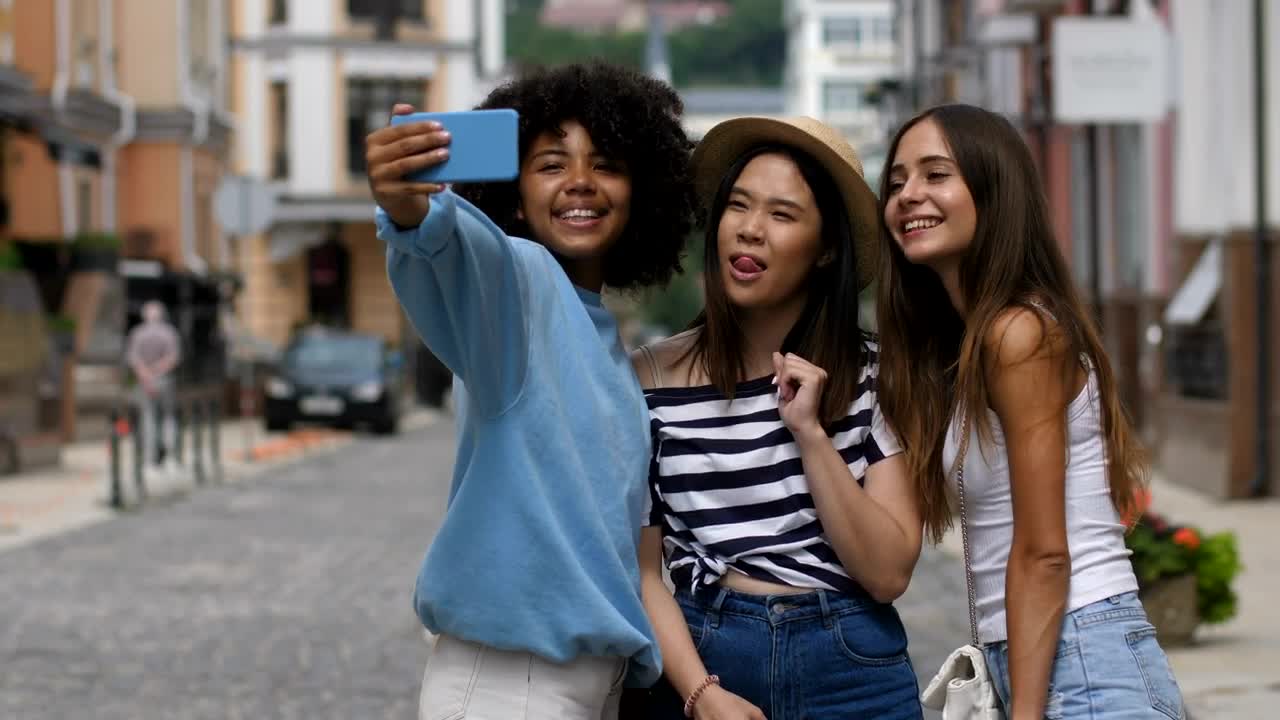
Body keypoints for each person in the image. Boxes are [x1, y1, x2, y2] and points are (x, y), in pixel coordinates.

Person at [363, 62, 700, 720]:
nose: (579, 182)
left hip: (585, 684)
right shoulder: (521, 283)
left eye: (605, 163)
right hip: (511, 684)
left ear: (641, 192)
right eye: (551, 164)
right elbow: (455, 246)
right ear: (514, 196)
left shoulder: (607, 343)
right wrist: (408, 206)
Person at [876, 104, 1185, 720]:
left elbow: (1045, 551)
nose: (909, 195)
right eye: (896, 182)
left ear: (994, 191)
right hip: (1047, 655)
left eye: (936, 175)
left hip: (1084, 661)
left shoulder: (1019, 333)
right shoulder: (967, 344)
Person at [633, 117, 924, 720]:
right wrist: (700, 695)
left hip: (849, 666)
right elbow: (640, 570)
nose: (750, 230)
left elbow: (889, 572)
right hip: (702, 657)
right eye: (738, 207)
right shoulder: (646, 380)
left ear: (826, 250)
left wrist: (811, 434)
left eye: (782, 215)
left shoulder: (876, 373)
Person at [125, 300, 181, 476]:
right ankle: (170, 458)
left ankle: (150, 461)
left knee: (148, 419)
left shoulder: (137, 333)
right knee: (168, 418)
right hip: (164, 380)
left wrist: (146, 374)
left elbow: (133, 358)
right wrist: (157, 371)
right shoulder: (169, 333)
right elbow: (173, 357)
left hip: (146, 382)